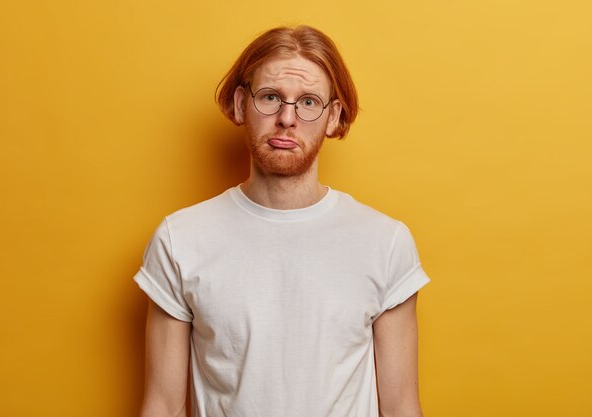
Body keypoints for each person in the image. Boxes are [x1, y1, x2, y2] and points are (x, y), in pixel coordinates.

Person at [134, 25, 431, 417]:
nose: (287, 118)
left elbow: (400, 408)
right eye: (270, 97)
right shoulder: (180, 240)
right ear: (241, 105)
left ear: (333, 117)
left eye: (308, 102)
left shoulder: (385, 242)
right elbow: (163, 406)